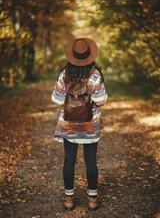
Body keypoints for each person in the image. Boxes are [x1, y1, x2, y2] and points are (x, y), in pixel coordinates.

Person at [51, 38, 108, 211]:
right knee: (91, 160)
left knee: (69, 159)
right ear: (90, 55)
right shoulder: (95, 74)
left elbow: (57, 99)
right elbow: (101, 100)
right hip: (90, 125)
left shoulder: (64, 74)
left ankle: (69, 199)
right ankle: (92, 199)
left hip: (68, 125)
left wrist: (71, 101)